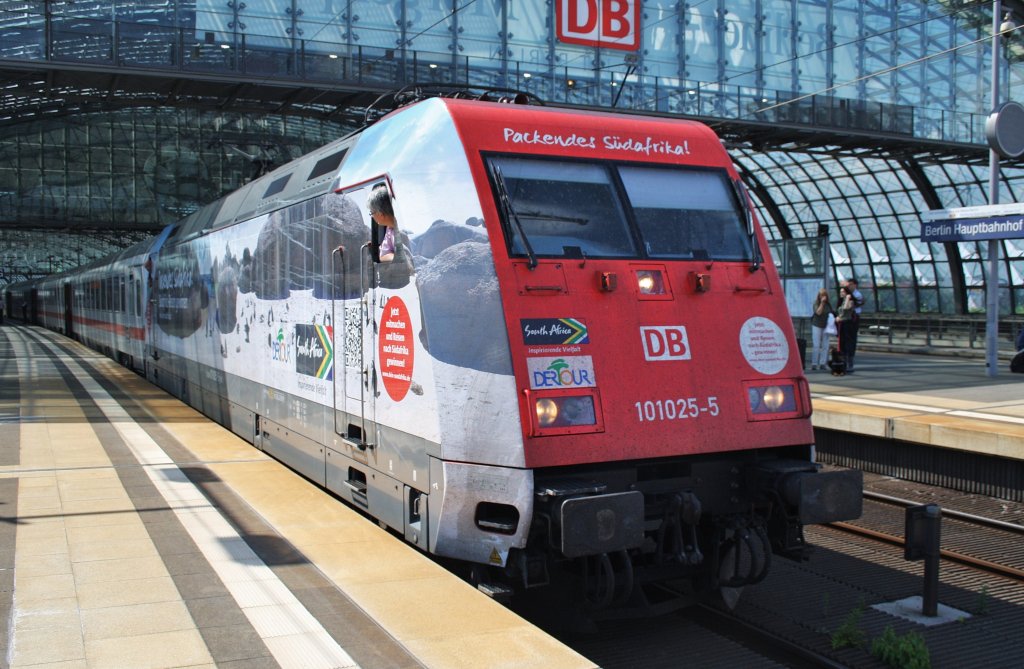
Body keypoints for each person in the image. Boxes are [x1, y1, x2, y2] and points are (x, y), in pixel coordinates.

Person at [367, 184, 398, 262]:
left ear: (380, 214)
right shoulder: (389, 229)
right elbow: (383, 255)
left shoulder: (400, 229)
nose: (372, 216)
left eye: (372, 213)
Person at [843, 278, 864, 372]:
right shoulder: (847, 294)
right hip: (847, 318)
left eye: (850, 284)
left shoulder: (857, 295)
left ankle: (850, 357)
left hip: (854, 318)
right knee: (846, 338)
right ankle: (846, 356)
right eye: (848, 284)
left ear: (855, 285)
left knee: (852, 338)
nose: (849, 286)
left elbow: (853, 305)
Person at [809, 287, 834, 370]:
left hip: (826, 326)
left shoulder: (828, 305)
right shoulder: (816, 303)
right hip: (817, 325)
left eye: (824, 295)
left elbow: (831, 313)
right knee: (816, 345)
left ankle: (823, 363)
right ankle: (814, 363)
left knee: (825, 345)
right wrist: (822, 304)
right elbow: (818, 312)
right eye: (821, 295)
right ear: (818, 296)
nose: (823, 297)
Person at [834, 285, 856, 374]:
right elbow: (840, 312)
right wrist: (837, 318)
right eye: (840, 292)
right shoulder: (841, 301)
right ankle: (843, 363)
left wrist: (847, 298)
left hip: (848, 324)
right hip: (841, 324)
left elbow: (846, 308)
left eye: (843, 292)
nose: (841, 293)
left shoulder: (850, 302)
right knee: (842, 344)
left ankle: (850, 364)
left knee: (848, 344)